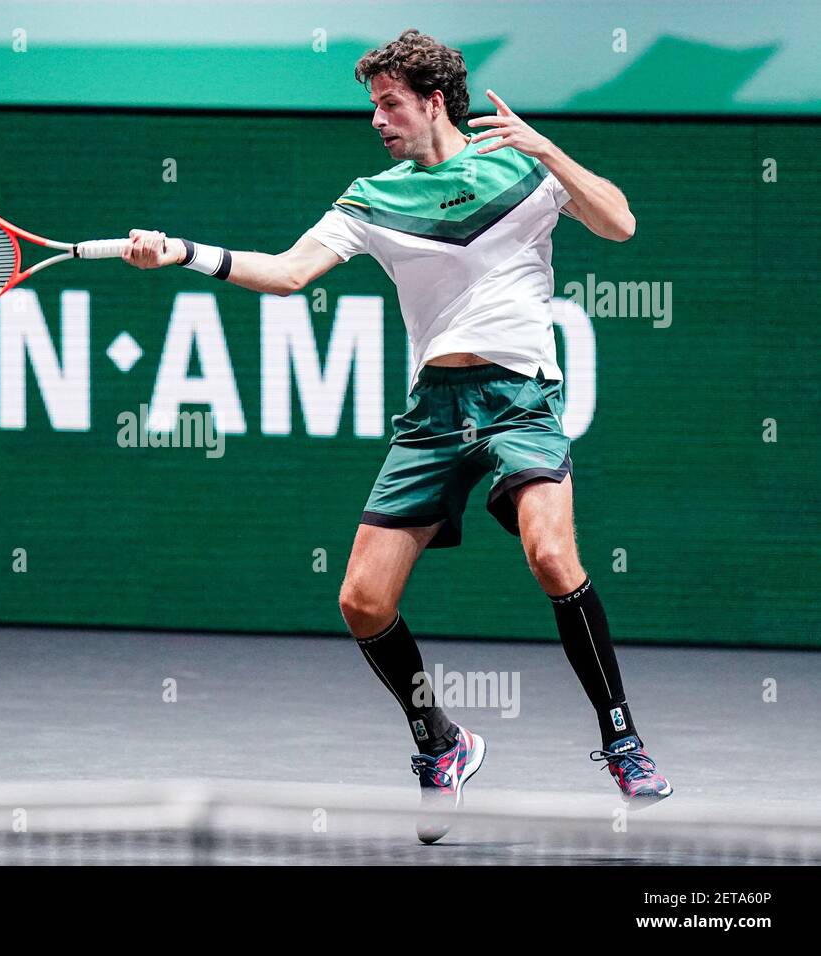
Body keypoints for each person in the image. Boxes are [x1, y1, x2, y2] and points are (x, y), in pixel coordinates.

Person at [121, 28, 671, 843]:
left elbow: (620, 224)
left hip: (521, 398)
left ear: (433, 101)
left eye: (389, 105)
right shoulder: (370, 198)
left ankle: (621, 739)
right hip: (434, 411)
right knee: (361, 600)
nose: (377, 120)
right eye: (373, 106)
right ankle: (441, 744)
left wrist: (549, 150)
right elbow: (286, 273)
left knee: (552, 556)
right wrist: (183, 254)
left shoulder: (522, 167)